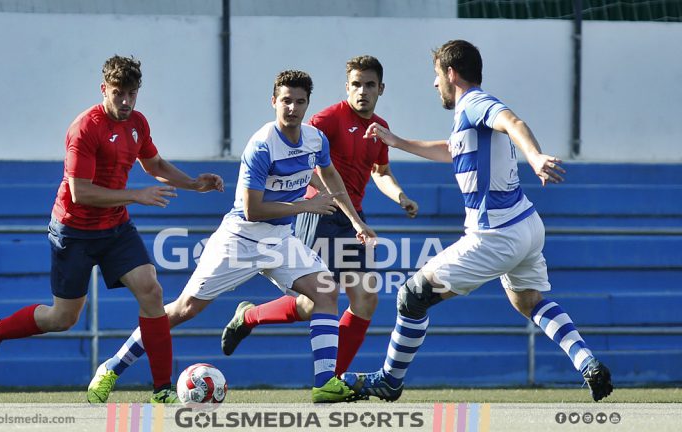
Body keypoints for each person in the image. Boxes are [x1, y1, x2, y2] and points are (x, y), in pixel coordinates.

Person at [340, 40, 613, 402]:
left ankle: (390, 380)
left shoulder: (475, 102)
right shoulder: (468, 117)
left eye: (437, 76)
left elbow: (512, 121)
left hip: (495, 234)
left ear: (451, 74)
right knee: (529, 301)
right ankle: (588, 363)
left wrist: (533, 157)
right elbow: (450, 149)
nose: (435, 84)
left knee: (411, 296)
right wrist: (397, 141)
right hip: (526, 224)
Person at [86, 70, 376, 404]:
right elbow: (253, 211)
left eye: (299, 102)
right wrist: (304, 206)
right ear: (274, 102)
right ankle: (111, 367)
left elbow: (332, 178)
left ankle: (325, 384)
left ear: (307, 104)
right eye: (286, 101)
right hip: (240, 239)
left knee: (325, 292)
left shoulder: (315, 140)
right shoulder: (262, 146)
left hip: (280, 240)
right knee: (184, 309)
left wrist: (355, 221)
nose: (292, 108)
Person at [0, 55, 224, 403]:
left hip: (115, 226)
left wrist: (194, 183)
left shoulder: (137, 123)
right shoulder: (85, 128)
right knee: (63, 318)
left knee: (151, 290)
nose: (125, 101)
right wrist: (136, 195)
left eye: (131, 94)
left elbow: (155, 164)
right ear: (104, 89)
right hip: (74, 231)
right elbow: (81, 191)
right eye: (118, 93)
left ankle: (162, 389)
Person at [219, 55, 419, 376]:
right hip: (320, 214)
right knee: (314, 302)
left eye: (369, 85)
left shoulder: (379, 129)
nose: (362, 91)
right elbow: (301, 159)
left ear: (381, 88)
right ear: (347, 87)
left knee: (366, 299)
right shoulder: (327, 120)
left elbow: (380, 171)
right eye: (356, 84)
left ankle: (333, 379)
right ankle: (250, 316)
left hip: (354, 218)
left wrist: (401, 196)